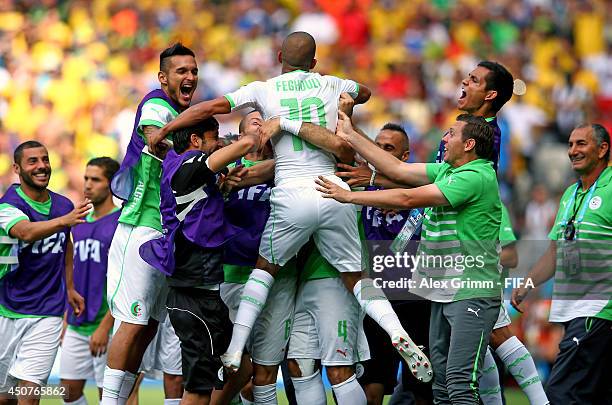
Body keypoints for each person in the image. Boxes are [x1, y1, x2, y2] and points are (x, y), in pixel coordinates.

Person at [150, 31, 430, 384]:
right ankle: (395, 329)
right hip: (334, 189)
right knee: (356, 278)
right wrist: (347, 103)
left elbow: (209, 109)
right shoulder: (331, 83)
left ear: (280, 55)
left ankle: (236, 348)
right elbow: (365, 92)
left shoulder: (263, 90)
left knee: (265, 269)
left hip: (291, 191)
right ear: (314, 62)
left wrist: (166, 130)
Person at [317, 112, 503, 404]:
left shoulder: (477, 175)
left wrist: (350, 197)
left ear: (468, 144)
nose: (444, 139)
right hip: (443, 291)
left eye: (451, 134)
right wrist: (351, 134)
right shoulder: (447, 171)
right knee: (441, 386)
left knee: (459, 383)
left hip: (471, 290)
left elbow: (407, 198)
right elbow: (397, 169)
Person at [140, 117, 264, 405]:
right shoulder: (190, 165)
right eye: (214, 136)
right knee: (198, 389)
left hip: (202, 294)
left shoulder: (179, 165)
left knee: (241, 366)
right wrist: (259, 129)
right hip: (194, 294)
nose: (219, 142)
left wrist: (220, 189)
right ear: (195, 141)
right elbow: (246, 144)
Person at [103, 43, 197, 405]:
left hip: (165, 232)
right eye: (181, 71)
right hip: (140, 225)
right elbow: (160, 143)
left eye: (193, 71)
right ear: (163, 77)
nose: (189, 77)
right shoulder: (157, 104)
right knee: (134, 321)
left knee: (150, 326)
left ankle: (120, 399)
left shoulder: (181, 112)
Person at [512, 124, 612, 404]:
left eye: (581, 144)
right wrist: (526, 284)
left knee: (559, 394)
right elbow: (556, 252)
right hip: (572, 312)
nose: (572, 151)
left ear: (602, 149)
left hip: (597, 310)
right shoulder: (569, 195)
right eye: (570, 144)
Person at [0, 141, 91, 404]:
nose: (42, 166)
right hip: (7, 309)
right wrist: (65, 221)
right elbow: (26, 233)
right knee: (6, 397)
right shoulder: (8, 206)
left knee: (28, 396)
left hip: (47, 311)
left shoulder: (63, 205)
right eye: (33, 161)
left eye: (45, 159)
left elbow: (66, 245)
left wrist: (70, 287)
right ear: (17, 168)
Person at [351, 124, 433, 405]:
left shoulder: (422, 189)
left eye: (389, 149)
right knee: (372, 385)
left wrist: (394, 189)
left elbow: (418, 190)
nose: (380, 152)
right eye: (378, 145)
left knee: (420, 385)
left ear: (406, 155)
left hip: (415, 297)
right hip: (377, 297)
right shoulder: (364, 182)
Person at [60, 157, 121, 404]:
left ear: (112, 184)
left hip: (107, 325)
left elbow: (125, 283)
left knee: (107, 397)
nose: (87, 185)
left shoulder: (121, 222)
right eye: (86, 178)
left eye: (95, 179)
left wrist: (106, 327)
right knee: (68, 391)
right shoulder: (78, 222)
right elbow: (71, 274)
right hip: (77, 323)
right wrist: (66, 320)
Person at [479, 204, 549, 405]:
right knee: (478, 345)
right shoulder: (439, 197)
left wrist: (465, 261)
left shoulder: (489, 200)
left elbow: (511, 256)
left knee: (497, 335)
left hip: (480, 285)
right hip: (440, 284)